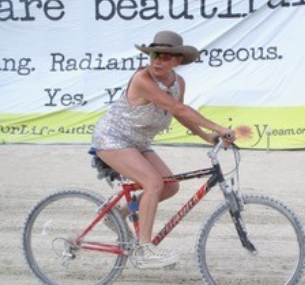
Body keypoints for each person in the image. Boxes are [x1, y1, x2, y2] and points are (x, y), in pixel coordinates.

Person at [91, 31, 235, 269]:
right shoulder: (142, 79)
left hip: (138, 142)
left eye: (166, 56)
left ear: (177, 61)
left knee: (169, 186)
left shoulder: (178, 83)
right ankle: (145, 249)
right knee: (153, 183)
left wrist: (207, 136)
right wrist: (219, 127)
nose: (158, 60)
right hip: (113, 139)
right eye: (155, 54)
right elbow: (177, 108)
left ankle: (116, 213)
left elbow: (178, 112)